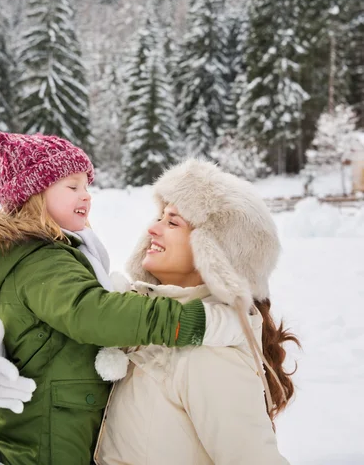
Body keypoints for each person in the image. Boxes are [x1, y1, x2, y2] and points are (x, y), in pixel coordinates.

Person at [0, 134, 252, 465]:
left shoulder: (43, 255)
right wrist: (195, 320)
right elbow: (92, 313)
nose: (87, 196)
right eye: (72, 186)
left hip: (29, 443)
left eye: (87, 186)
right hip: (49, 453)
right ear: (35, 194)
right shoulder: (42, 260)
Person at [92, 159, 300, 464]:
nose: (152, 227)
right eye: (160, 216)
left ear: (215, 253)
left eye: (173, 222)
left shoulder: (209, 355)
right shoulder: (152, 326)